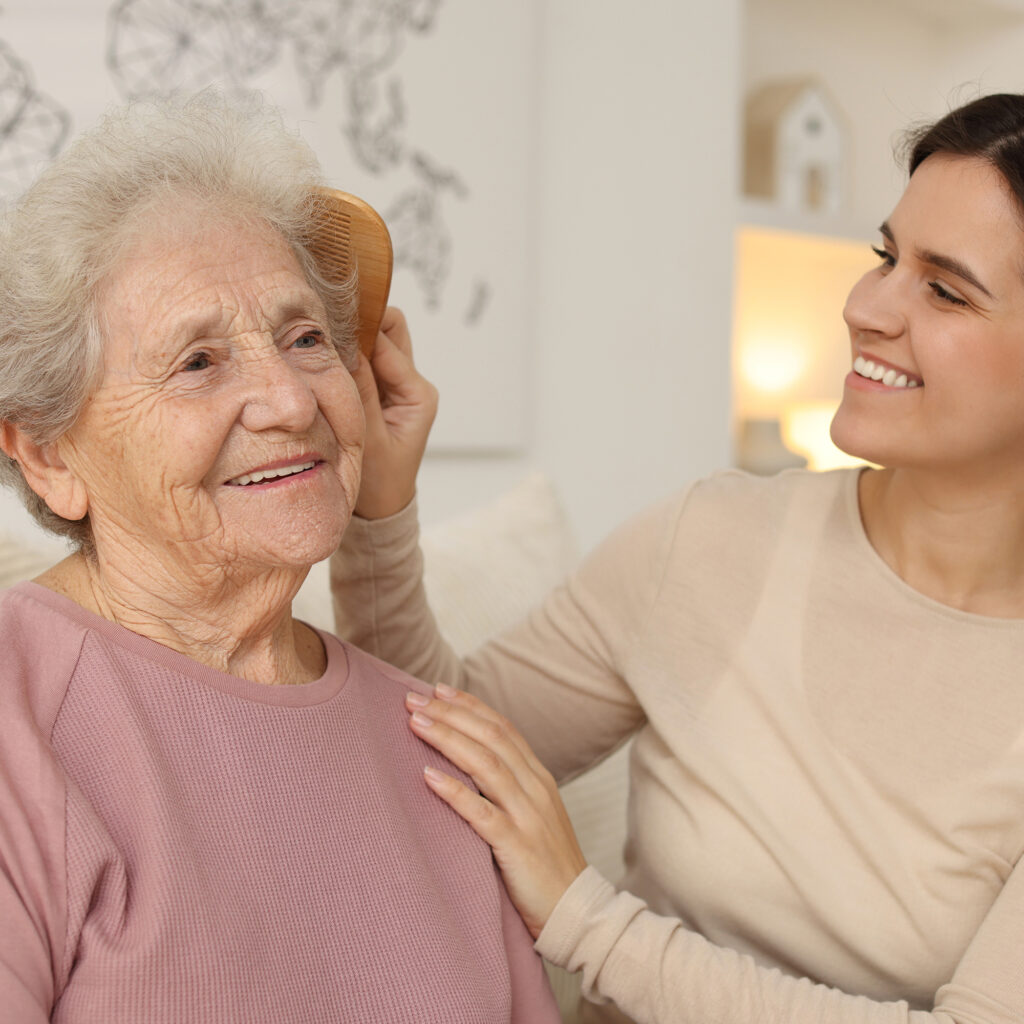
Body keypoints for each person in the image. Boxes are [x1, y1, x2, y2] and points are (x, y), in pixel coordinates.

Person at [332, 91, 1024, 1024]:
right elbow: (439, 747)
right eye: (885, 258)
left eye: (945, 289)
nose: (867, 308)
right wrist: (381, 507)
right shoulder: (712, 538)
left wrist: (586, 919)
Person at [0, 92, 561, 1024]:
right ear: (53, 457)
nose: (290, 401)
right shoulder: (19, 713)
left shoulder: (439, 747)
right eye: (198, 362)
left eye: (306, 339)